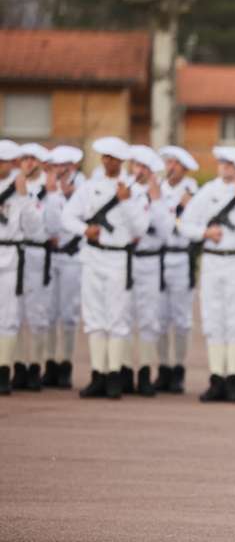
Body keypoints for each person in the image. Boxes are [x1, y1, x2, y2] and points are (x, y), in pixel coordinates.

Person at [61, 137, 149, 400]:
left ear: (121, 162)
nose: (107, 161)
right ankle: (98, 374)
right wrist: (84, 229)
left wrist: (127, 201)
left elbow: (140, 229)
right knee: (94, 317)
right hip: (93, 256)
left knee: (117, 317)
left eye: (112, 158)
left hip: (118, 257)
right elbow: (67, 216)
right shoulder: (90, 187)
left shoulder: (134, 192)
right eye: (105, 157)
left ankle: (114, 377)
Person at [179, 146, 235, 403]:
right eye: (221, 163)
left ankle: (234, 378)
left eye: (229, 164)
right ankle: (217, 378)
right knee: (213, 318)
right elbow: (185, 224)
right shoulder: (208, 192)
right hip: (213, 261)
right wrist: (204, 233)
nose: (224, 168)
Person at [123, 145, 170, 397]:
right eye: (136, 166)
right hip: (125, 260)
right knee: (124, 317)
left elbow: (165, 232)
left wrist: (157, 199)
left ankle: (144, 373)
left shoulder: (158, 196)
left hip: (150, 261)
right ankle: (123, 370)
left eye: (144, 168)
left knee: (148, 319)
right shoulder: (122, 192)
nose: (138, 171)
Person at [155, 145, 200, 394]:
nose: (170, 168)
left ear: (184, 168)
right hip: (160, 257)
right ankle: (163, 367)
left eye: (175, 164)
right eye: (168, 163)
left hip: (182, 258)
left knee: (182, 319)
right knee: (160, 318)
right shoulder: (158, 190)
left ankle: (179, 369)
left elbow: (183, 227)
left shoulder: (191, 191)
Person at [43, 145, 85, 389]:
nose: (59, 171)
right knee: (49, 313)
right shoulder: (48, 190)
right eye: (56, 166)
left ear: (74, 166)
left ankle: (66, 365)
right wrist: (51, 196)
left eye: (64, 166)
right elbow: (46, 225)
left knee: (68, 314)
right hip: (52, 256)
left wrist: (69, 196)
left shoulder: (84, 188)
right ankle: (49, 364)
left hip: (71, 256)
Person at [0, 139, 39, 396]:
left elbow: (35, 229)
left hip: (12, 255)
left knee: (9, 317)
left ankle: (3, 370)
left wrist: (23, 197)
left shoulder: (23, 188)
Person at [15, 143, 52, 391]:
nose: (28, 163)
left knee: (36, 312)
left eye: (33, 159)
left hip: (37, 252)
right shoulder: (13, 187)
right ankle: (16, 366)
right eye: (24, 159)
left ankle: (35, 366)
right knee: (12, 313)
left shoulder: (49, 190)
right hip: (14, 252)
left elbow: (45, 225)